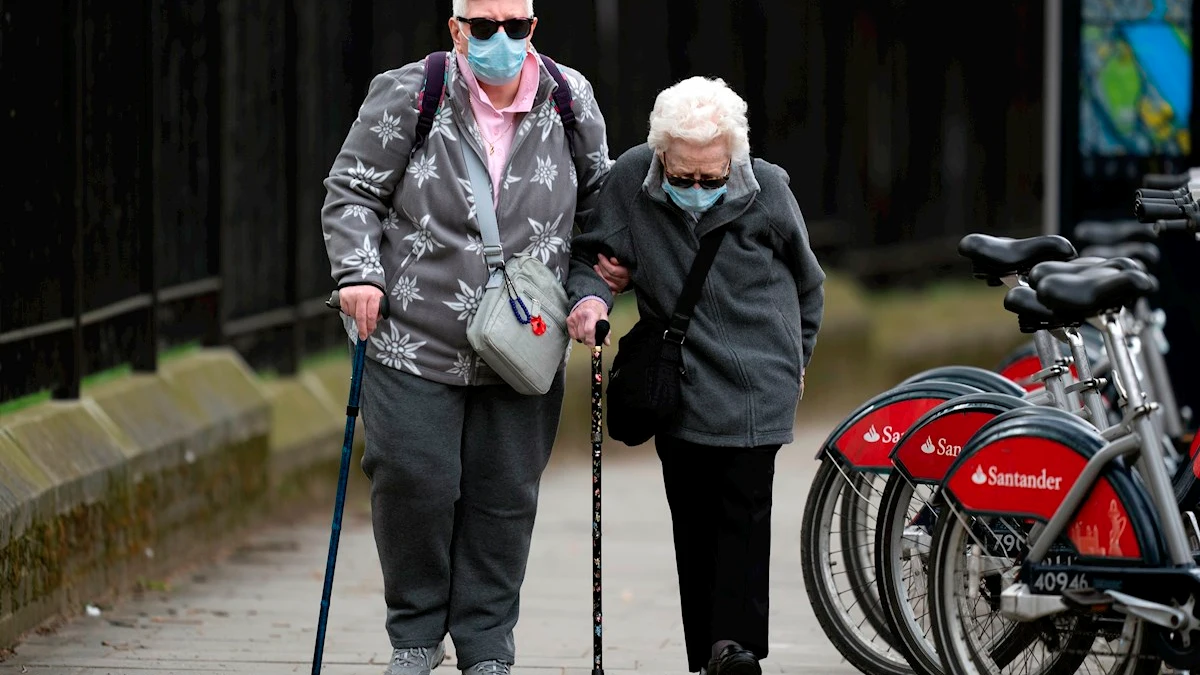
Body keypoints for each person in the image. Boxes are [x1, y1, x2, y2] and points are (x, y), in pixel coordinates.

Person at [320, 2, 627, 674]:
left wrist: (592, 292)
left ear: (533, 28)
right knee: (413, 477)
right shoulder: (410, 93)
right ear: (455, 28)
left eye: (515, 26)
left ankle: (486, 645)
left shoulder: (570, 98)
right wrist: (358, 275)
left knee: (505, 494)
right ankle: (416, 633)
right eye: (482, 26)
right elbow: (351, 192)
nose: (500, 39)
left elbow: (603, 214)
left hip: (526, 340)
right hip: (414, 333)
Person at [565, 76, 826, 675]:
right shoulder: (633, 179)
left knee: (742, 511)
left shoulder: (770, 190)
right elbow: (587, 256)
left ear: (732, 156)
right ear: (661, 154)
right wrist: (591, 301)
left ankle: (733, 650)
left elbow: (809, 283)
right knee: (693, 517)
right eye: (683, 177)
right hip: (677, 379)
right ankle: (712, 651)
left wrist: (799, 357)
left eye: (712, 178)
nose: (698, 189)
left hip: (761, 377)